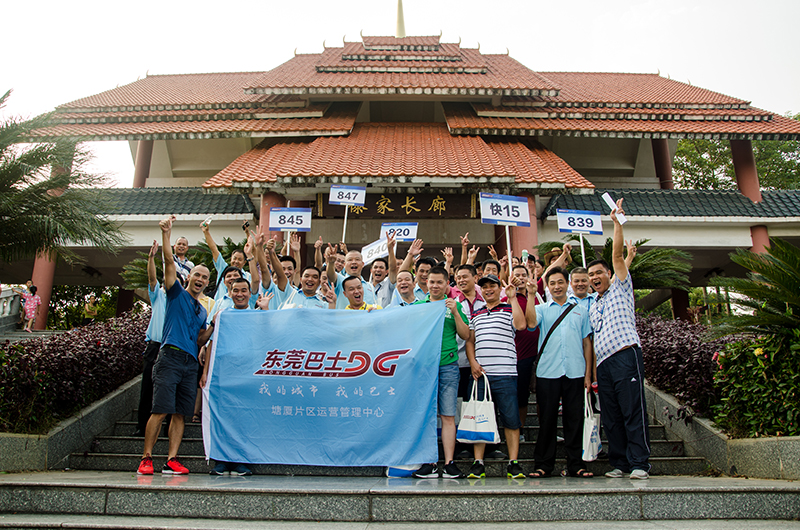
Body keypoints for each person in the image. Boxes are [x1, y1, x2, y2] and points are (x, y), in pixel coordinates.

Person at [137, 216, 214, 476]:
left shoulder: (203, 311)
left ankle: (171, 459)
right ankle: (147, 457)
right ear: (189, 276)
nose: (200, 279)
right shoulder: (175, 293)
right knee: (160, 410)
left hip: (190, 363)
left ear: (207, 282)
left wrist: (214, 325)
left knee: (181, 413)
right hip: (169, 356)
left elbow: (200, 340)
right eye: (197, 274)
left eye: (205, 277)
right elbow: (169, 262)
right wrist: (166, 234)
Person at [587, 198, 651, 480]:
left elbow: (616, 257)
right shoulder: (593, 303)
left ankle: (639, 463)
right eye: (591, 274)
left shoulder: (620, 289)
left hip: (626, 356)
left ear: (610, 274)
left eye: (599, 273)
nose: (594, 277)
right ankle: (620, 463)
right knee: (611, 416)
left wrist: (616, 223)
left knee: (632, 410)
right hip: (604, 364)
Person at [525, 267, 593, 478]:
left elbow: (587, 343)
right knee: (547, 420)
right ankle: (543, 465)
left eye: (560, 282)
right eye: (552, 283)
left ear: (568, 284)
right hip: (548, 371)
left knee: (575, 420)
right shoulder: (542, 309)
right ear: (547, 287)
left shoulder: (580, 310)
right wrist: (530, 295)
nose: (557, 287)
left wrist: (588, 375)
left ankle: (576, 465)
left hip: (575, 371)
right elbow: (530, 323)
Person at [465, 274, 528, 479]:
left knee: (511, 419)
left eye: (492, 286)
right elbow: (470, 341)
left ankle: (513, 462)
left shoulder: (509, 308)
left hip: (505, 373)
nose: (488, 289)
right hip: (481, 375)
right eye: (484, 287)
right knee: (480, 418)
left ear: (499, 288)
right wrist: (473, 362)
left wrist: (512, 297)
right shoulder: (476, 313)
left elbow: (521, 325)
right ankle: (478, 462)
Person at [411, 267, 470, 479]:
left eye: (439, 282)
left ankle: (449, 462)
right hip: (425, 368)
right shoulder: (418, 306)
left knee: (448, 415)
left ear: (447, 284)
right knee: (426, 416)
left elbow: (465, 335)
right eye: (432, 282)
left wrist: (455, 312)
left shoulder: (455, 305)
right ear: (426, 283)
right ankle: (429, 462)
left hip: (448, 365)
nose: (435, 286)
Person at [201, 277, 258, 476]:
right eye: (236, 290)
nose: (240, 294)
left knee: (244, 416)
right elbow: (212, 344)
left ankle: (241, 460)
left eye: (244, 290)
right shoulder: (222, 315)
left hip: (248, 374)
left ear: (250, 293)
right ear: (230, 292)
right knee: (222, 416)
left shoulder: (258, 316)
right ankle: (221, 461)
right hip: (223, 373)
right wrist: (206, 372)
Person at [133, 240, 168, 437]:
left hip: (171, 349)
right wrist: (151, 258)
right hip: (154, 347)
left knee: (168, 389)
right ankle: (142, 427)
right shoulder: (158, 296)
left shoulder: (180, 300)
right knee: (147, 387)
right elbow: (152, 279)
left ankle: (167, 429)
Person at [200, 220, 250, 304]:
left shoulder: (248, 277)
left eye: (239, 259)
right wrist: (206, 232)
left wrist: (247, 233)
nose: (236, 261)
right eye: (234, 258)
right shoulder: (223, 268)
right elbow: (214, 250)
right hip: (220, 308)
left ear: (244, 262)